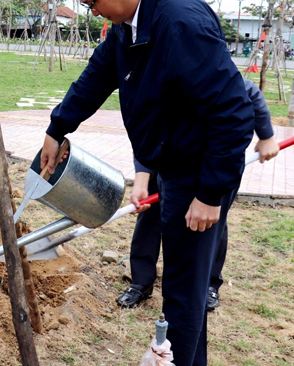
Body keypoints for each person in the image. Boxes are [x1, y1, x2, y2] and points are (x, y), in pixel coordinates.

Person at [40, 0, 254, 366]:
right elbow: (98, 75)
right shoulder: (131, 23)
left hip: (199, 172)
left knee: (181, 282)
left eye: (91, 1)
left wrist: (210, 194)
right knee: (190, 276)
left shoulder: (180, 22)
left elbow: (235, 114)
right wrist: (58, 127)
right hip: (174, 163)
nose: (92, 11)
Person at [118, 78, 279, 312]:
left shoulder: (194, 67)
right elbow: (145, 133)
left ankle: (209, 284)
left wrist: (266, 135)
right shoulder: (147, 83)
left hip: (210, 162)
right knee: (149, 218)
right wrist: (142, 177)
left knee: (212, 223)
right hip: (164, 158)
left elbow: (250, 91)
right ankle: (141, 282)